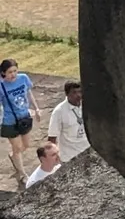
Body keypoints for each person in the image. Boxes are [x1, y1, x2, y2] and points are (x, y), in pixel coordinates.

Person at [0, 59, 39, 188]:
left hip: (24, 117)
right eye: (10, 72)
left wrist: (36, 108)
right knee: (17, 148)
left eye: (15, 71)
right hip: (10, 120)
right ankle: (22, 174)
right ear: (3, 73)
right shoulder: (1, 86)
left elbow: (28, 93)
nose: (13, 75)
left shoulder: (23, 78)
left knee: (26, 145)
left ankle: (14, 157)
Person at [47, 81, 88, 163]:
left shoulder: (87, 105)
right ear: (67, 94)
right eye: (74, 92)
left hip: (87, 151)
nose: (78, 95)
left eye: (80, 92)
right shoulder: (59, 111)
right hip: (69, 157)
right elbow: (52, 137)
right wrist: (52, 157)